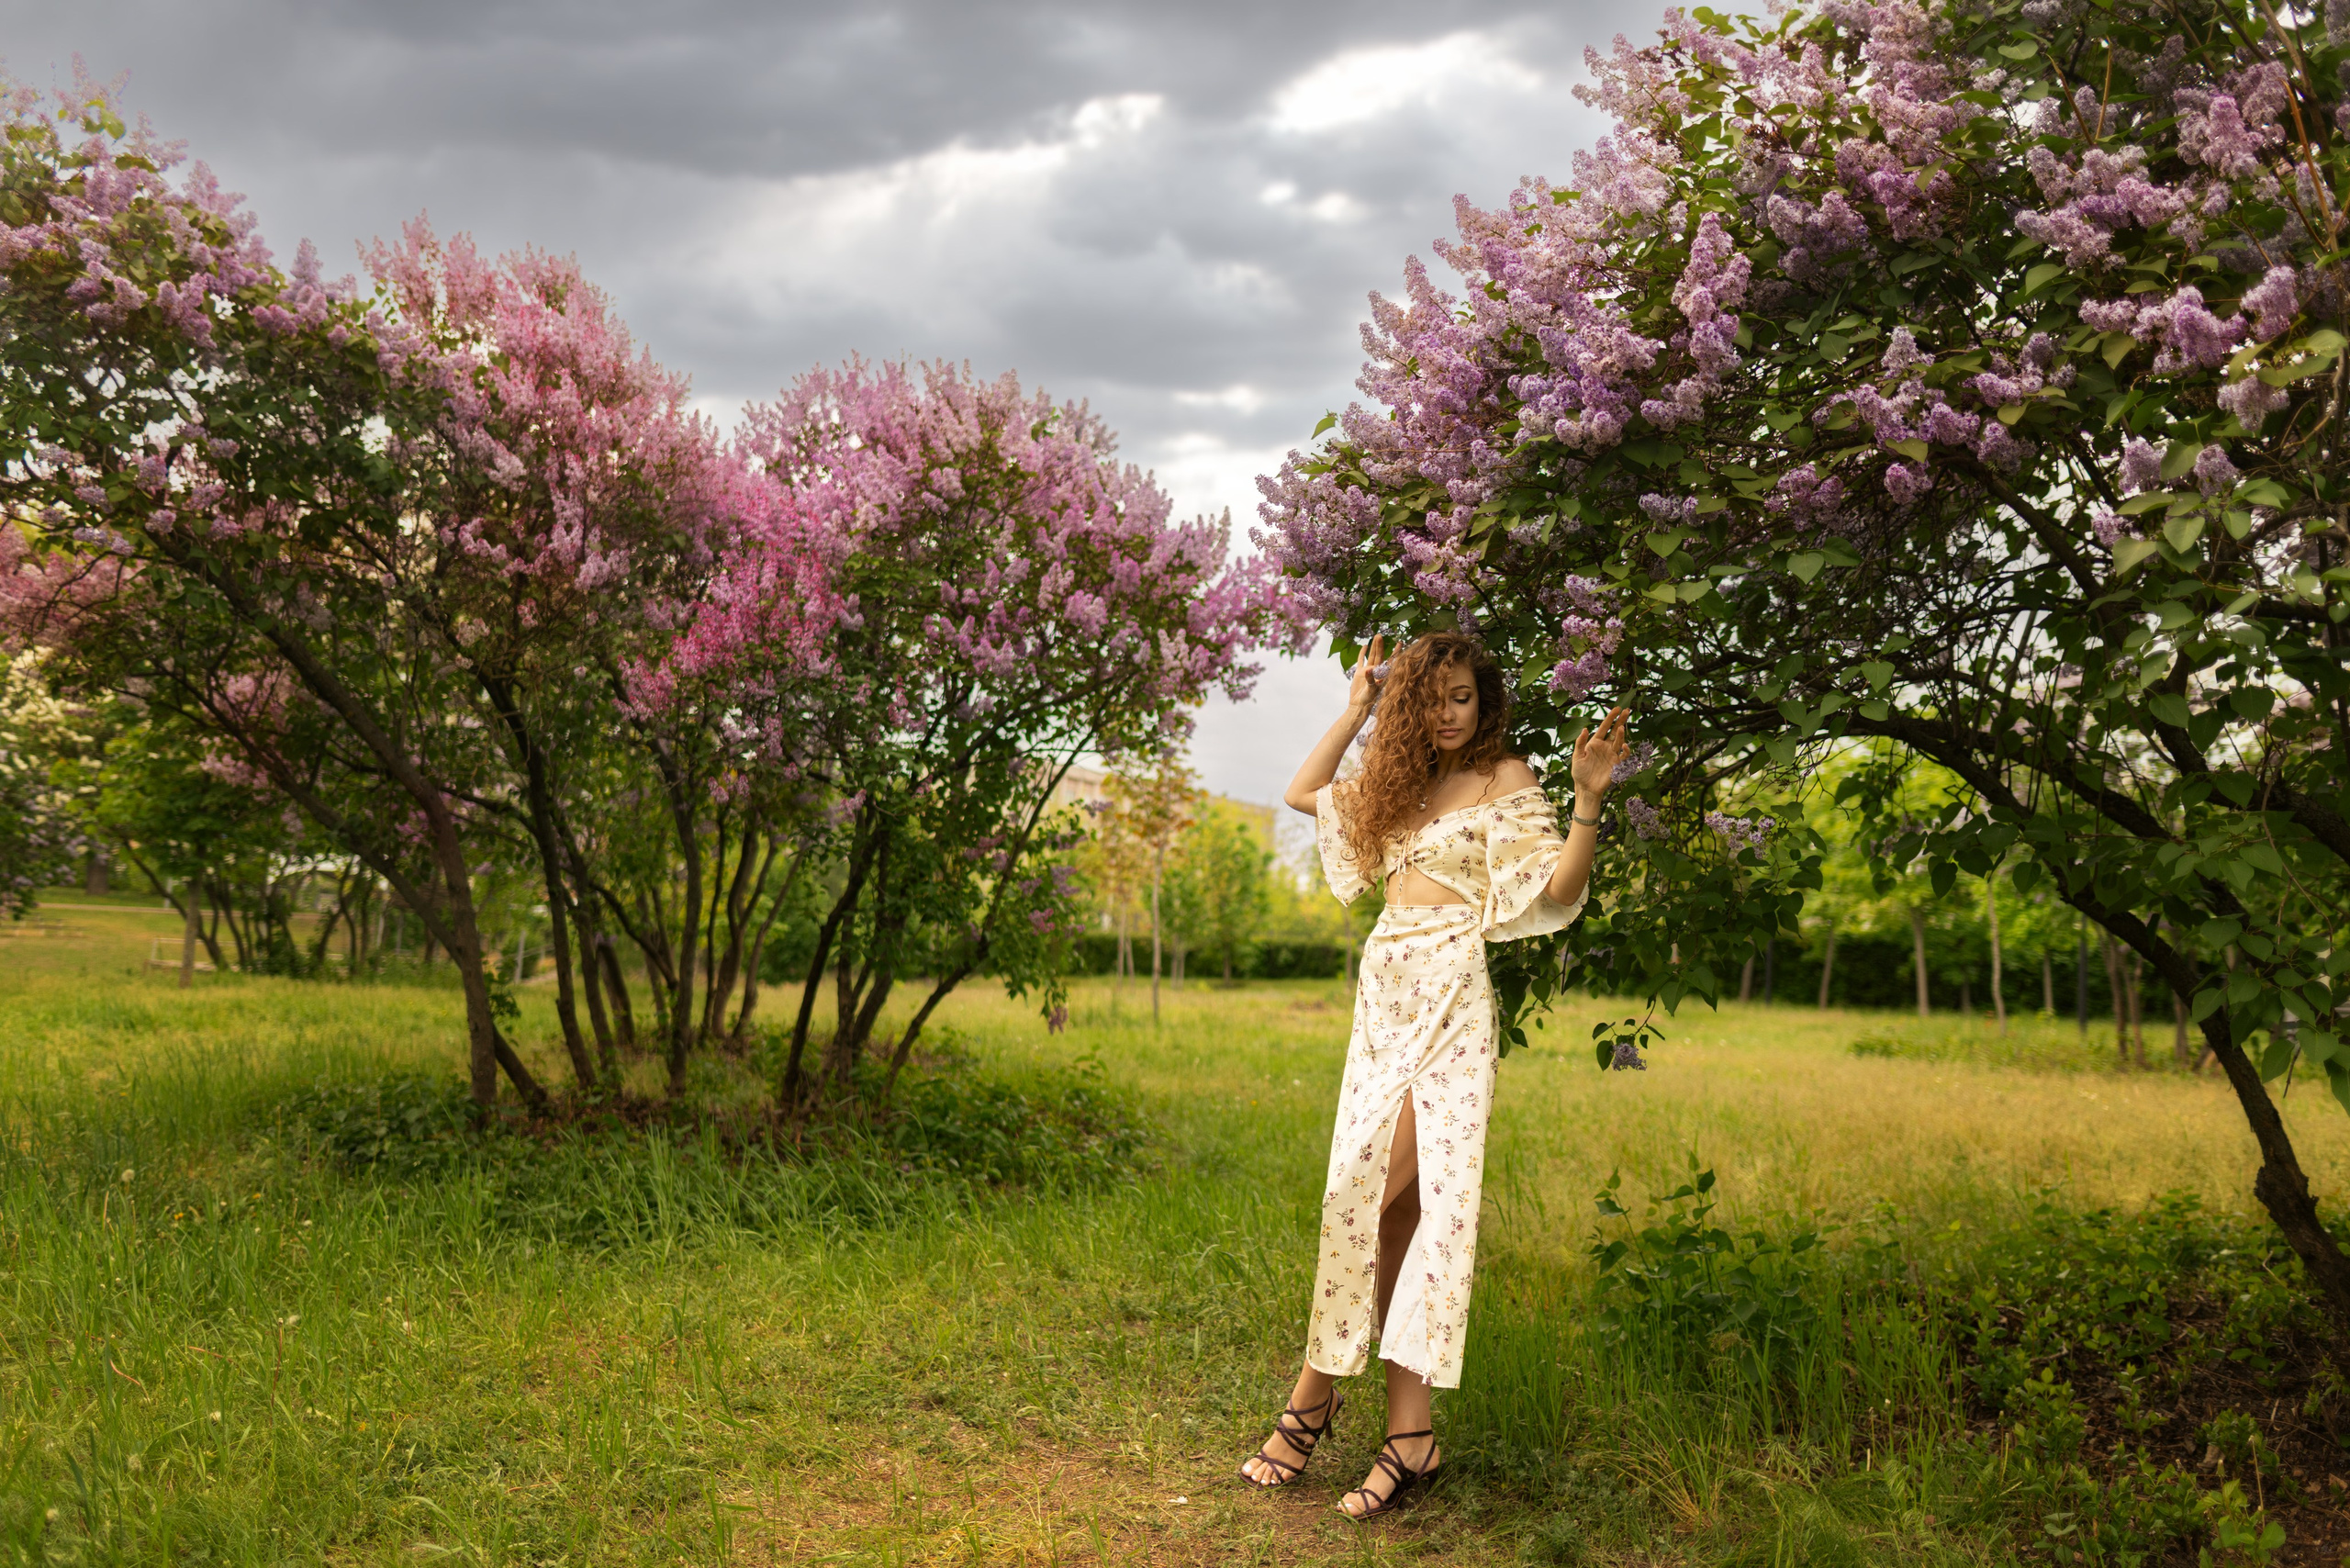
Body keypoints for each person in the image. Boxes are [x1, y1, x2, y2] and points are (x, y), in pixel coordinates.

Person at [1239, 629, 1631, 1519]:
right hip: (1382, 1001)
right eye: (1435, 697)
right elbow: (1303, 793)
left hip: (1451, 1002)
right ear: (1411, 703)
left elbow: (1560, 891)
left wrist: (1587, 801)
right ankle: (1411, 1438)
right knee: (1399, 1215)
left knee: (1363, 1195)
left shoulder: (1507, 781)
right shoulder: (1395, 785)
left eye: (1464, 696)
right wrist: (1354, 710)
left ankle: (1310, 1400)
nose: (1451, 712)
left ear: (1483, 700)